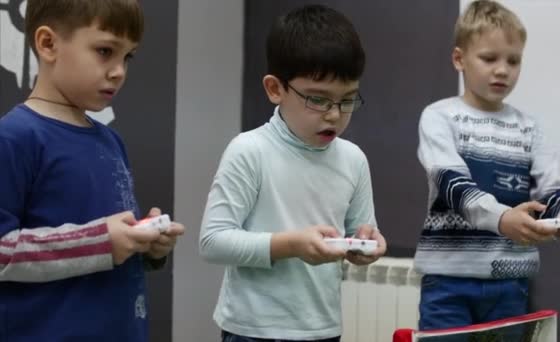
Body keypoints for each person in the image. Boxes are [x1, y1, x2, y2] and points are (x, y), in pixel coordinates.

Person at [199, 4, 387, 341]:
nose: (334, 115)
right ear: (275, 89)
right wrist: (291, 244)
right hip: (253, 331)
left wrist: (366, 247)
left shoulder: (353, 159)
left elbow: (356, 239)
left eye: (347, 100)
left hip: (324, 328)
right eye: (318, 99)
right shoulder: (249, 150)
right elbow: (213, 242)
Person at [0, 1, 185, 340]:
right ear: (48, 44)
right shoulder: (14, 137)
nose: (119, 71)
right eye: (104, 51)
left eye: (127, 56)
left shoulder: (111, 141)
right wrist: (102, 241)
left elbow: (109, 248)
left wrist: (145, 244)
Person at [413, 0, 560, 330]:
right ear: (459, 59)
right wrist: (503, 218)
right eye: (489, 58)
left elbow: (551, 187)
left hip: (511, 281)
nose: (503, 70)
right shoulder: (439, 117)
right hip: (449, 279)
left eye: (514, 60)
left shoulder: (529, 127)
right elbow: (453, 185)